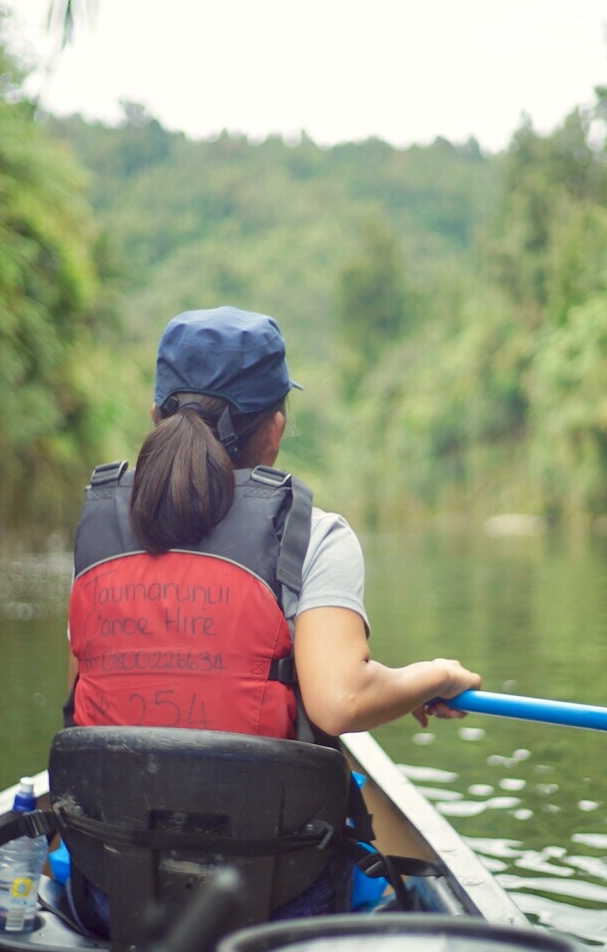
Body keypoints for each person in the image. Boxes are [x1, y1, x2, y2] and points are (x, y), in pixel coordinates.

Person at [63, 304, 481, 741]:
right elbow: (342, 702)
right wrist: (435, 676)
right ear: (274, 430)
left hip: (100, 809)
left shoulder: (101, 529)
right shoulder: (314, 537)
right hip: (260, 809)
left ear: (155, 417)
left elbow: (82, 691)